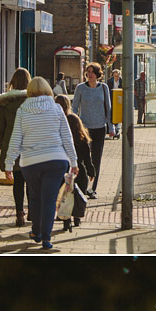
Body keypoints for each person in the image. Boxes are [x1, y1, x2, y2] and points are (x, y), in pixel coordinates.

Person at [4, 76, 77, 251]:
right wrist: (73, 161)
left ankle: (36, 231)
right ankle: (46, 238)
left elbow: (16, 139)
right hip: (55, 160)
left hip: (31, 162)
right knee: (49, 200)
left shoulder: (22, 110)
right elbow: (67, 137)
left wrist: (8, 164)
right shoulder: (57, 108)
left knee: (35, 197)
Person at [0, 67, 31, 226]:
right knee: (30, 181)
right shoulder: (32, 101)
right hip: (30, 146)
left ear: (13, 82)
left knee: (18, 181)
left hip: (12, 146)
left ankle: (19, 213)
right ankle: (33, 211)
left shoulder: (5, 103)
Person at [71, 63, 111, 198]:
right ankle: (82, 185)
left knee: (96, 159)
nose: (90, 74)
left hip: (100, 127)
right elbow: (75, 107)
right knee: (83, 158)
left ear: (98, 74)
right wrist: (74, 125)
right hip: (84, 128)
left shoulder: (104, 88)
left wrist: (111, 127)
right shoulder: (80, 88)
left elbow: (108, 109)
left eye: (93, 72)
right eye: (88, 72)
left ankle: (92, 188)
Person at [54, 94, 93, 230]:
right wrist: (91, 169)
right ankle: (77, 218)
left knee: (65, 195)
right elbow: (86, 151)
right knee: (78, 194)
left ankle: (66, 220)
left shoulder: (55, 121)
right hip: (79, 170)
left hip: (62, 168)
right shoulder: (74, 119)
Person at [107, 68, 122, 138]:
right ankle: (113, 129)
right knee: (112, 114)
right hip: (111, 99)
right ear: (113, 75)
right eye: (115, 76)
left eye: (117, 76)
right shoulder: (109, 81)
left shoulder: (122, 81)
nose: (116, 77)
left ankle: (117, 129)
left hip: (119, 99)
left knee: (119, 114)